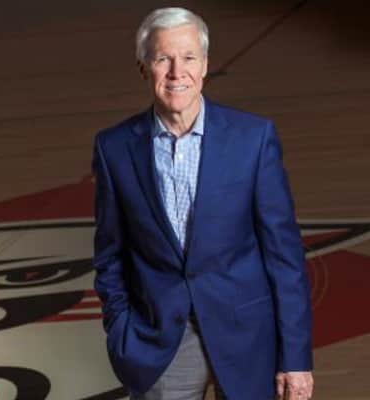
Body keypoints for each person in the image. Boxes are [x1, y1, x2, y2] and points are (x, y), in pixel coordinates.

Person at [91, 7, 313, 400]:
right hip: (161, 344)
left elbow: (285, 257)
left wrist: (295, 357)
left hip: (248, 340)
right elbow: (111, 255)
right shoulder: (114, 148)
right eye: (163, 58)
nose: (177, 72)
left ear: (206, 65)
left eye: (189, 57)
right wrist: (121, 328)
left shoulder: (252, 139)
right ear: (144, 67)